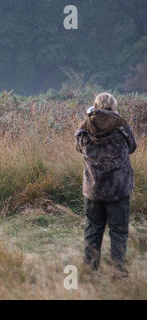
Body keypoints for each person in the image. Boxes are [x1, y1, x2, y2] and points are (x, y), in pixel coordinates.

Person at [74, 93, 137, 277]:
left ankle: (90, 270)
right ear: (113, 107)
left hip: (93, 188)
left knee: (93, 230)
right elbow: (132, 147)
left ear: (95, 106)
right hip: (118, 189)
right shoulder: (122, 125)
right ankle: (117, 272)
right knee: (118, 231)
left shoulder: (84, 126)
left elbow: (78, 147)